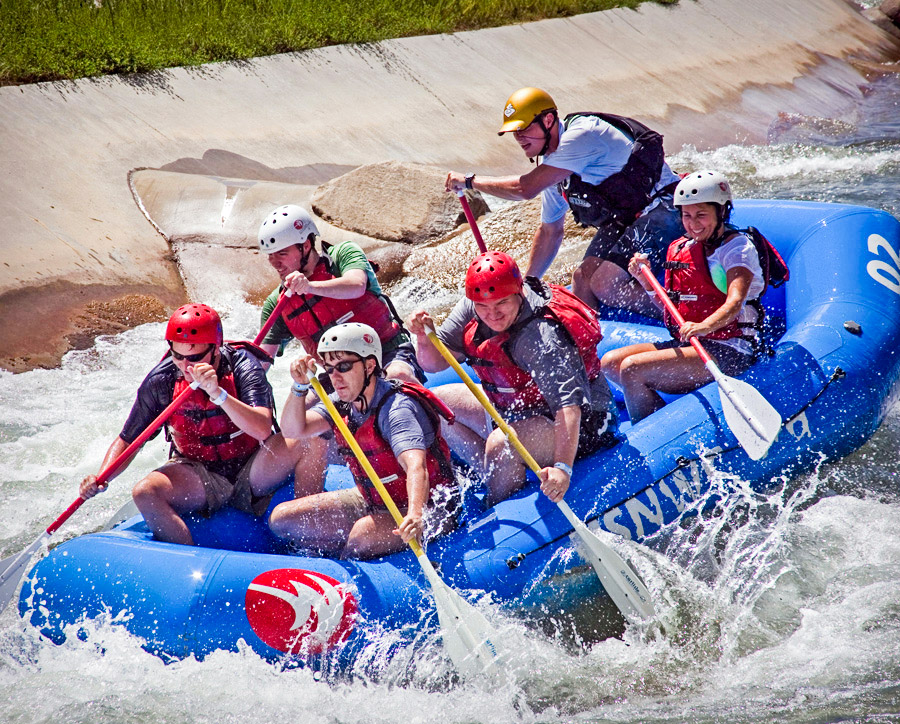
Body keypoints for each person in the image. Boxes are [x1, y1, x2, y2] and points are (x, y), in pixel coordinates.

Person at [445, 87, 683, 317]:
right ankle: (590, 344)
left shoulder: (582, 135)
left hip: (666, 208)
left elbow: (525, 188)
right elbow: (550, 231)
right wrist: (527, 284)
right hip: (629, 217)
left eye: (524, 129)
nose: (519, 138)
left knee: (604, 284)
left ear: (548, 120)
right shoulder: (553, 167)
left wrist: (469, 182)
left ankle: (684, 315)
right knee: (582, 279)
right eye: (514, 133)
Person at [79, 304, 304, 545]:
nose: (186, 365)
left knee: (307, 437)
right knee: (144, 492)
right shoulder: (161, 381)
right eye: (178, 356)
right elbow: (129, 439)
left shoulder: (243, 366)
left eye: (195, 357)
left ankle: (306, 530)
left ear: (215, 349)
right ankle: (185, 559)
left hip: (254, 466)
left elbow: (261, 427)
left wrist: (218, 394)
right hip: (198, 473)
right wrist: (102, 477)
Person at [408, 251, 619, 506]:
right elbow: (433, 363)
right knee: (435, 404)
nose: (491, 314)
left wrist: (563, 469)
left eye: (501, 304)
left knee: (501, 444)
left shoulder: (541, 336)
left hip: (584, 424)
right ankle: (492, 474)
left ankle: (496, 503)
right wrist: (423, 336)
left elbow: (569, 407)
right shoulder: (474, 305)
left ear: (518, 293)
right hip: (519, 411)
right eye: (483, 306)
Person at [268, 323, 458, 559]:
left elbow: (416, 467)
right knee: (282, 519)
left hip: (429, 507)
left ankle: (350, 563)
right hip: (374, 498)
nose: (335, 377)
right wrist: (299, 387)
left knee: (362, 535)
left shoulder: (396, 409)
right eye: (329, 369)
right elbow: (292, 429)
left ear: (369, 366)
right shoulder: (341, 402)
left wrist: (415, 514)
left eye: (344, 367)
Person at [601, 170, 771, 423]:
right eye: (686, 215)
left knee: (632, 369)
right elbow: (671, 309)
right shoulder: (681, 247)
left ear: (722, 211)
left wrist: (704, 326)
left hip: (731, 349)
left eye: (701, 215)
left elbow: (735, 302)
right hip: (694, 344)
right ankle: (662, 420)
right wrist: (645, 282)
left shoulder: (737, 249)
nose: (693, 224)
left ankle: (648, 433)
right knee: (611, 362)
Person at [256, 204, 422, 383]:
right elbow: (261, 362)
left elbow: (356, 284)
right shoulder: (277, 302)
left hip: (389, 354)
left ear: (305, 246)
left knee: (398, 376)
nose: (275, 263)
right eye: (270, 256)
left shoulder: (343, 254)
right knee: (301, 408)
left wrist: (309, 287)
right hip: (338, 376)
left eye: (282, 253)